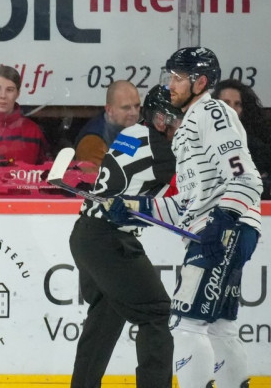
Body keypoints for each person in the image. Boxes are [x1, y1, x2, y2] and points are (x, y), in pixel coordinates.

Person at [106, 47, 262, 388]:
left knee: (187, 325)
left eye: (178, 78)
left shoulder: (211, 111)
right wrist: (132, 207)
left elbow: (247, 178)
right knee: (220, 326)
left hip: (224, 228)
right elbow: (183, 208)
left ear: (201, 82)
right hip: (224, 227)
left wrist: (223, 220)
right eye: (170, 77)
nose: (171, 84)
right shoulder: (190, 129)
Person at [70, 85, 182, 388]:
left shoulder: (133, 134)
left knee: (104, 319)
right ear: (160, 119)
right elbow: (185, 201)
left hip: (86, 234)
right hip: (109, 239)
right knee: (155, 311)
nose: (183, 126)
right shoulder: (164, 150)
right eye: (179, 119)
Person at [213, 79, 271, 199]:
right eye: (226, 103)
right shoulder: (198, 138)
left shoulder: (256, 146)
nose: (232, 109)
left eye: (237, 104)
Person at [74, 80, 141, 167]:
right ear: (109, 110)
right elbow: (99, 178)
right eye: (126, 108)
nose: (134, 113)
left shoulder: (130, 127)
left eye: (137, 106)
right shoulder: (92, 142)